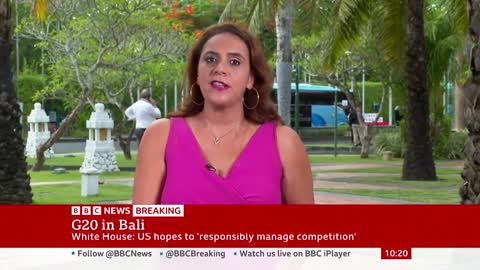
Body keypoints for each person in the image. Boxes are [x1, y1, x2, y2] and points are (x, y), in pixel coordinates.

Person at [132, 23, 314, 205]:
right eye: (210, 59)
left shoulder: (285, 143)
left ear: (251, 78)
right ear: (197, 72)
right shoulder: (160, 135)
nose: (220, 69)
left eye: (234, 62)